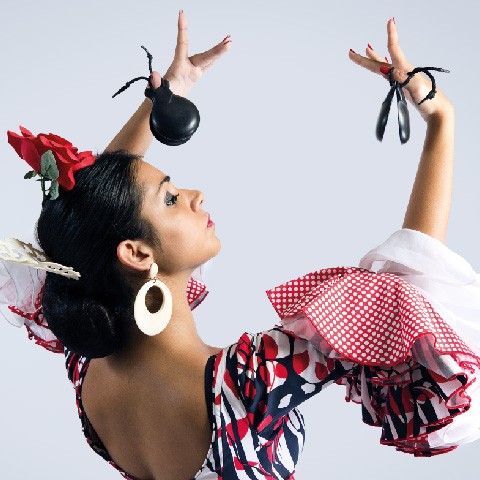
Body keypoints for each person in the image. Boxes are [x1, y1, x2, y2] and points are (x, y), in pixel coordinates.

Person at [1, 11, 480, 480]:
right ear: (137, 254)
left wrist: (164, 101)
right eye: (171, 198)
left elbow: (89, 227)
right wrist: (441, 118)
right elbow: (404, 287)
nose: (195, 194)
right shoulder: (249, 383)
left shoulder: (85, 360)